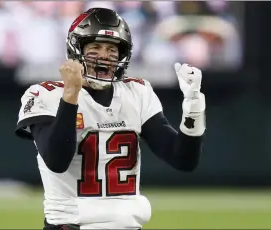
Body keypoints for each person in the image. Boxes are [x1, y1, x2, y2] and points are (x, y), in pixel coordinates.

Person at [15, 7, 206, 230]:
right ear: (76, 50)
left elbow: (183, 160)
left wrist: (193, 106)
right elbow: (56, 161)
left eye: (112, 49)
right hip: (71, 226)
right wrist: (70, 96)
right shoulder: (45, 94)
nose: (105, 55)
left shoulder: (137, 93)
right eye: (95, 47)